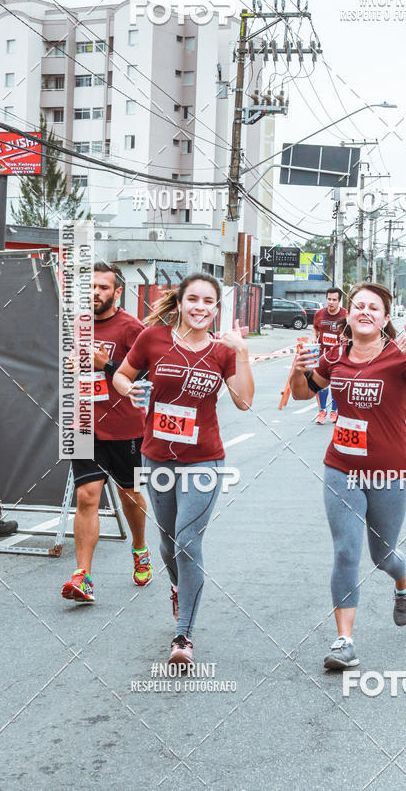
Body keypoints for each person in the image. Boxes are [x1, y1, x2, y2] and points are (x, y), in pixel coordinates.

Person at [290, 282, 406, 670]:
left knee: (383, 556)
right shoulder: (334, 357)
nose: (364, 312)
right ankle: (344, 641)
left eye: (373, 308)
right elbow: (299, 394)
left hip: (390, 471)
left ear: (384, 319)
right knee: (346, 550)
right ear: (347, 313)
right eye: (358, 305)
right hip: (341, 468)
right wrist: (298, 370)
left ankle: (404, 581)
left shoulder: (399, 357)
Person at [113, 273, 254, 667]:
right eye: (193, 299)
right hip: (156, 455)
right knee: (168, 541)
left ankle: (183, 636)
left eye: (209, 302)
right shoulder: (152, 338)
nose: (200, 308)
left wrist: (241, 352)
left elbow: (243, 402)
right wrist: (130, 389)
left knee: (188, 541)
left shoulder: (223, 350)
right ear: (179, 303)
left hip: (204, 459)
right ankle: (178, 585)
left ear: (216, 309)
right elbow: (122, 374)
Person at [62, 262, 150, 604]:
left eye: (102, 287)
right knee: (86, 497)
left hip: (126, 427)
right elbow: (75, 364)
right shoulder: (78, 325)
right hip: (83, 423)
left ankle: (140, 547)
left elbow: (144, 376)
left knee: (130, 495)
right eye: (91, 287)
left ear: (116, 292)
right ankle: (82, 576)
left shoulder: (132, 328)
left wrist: (107, 365)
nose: (95, 293)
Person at [312, 287, 348, 425]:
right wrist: (314, 338)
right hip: (323, 354)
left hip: (340, 355)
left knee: (336, 384)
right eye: (329, 299)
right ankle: (322, 411)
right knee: (322, 384)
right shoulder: (319, 313)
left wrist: (348, 337)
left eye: (334, 300)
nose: (331, 302)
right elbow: (315, 328)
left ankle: (334, 411)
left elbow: (354, 331)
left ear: (339, 301)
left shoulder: (346, 315)